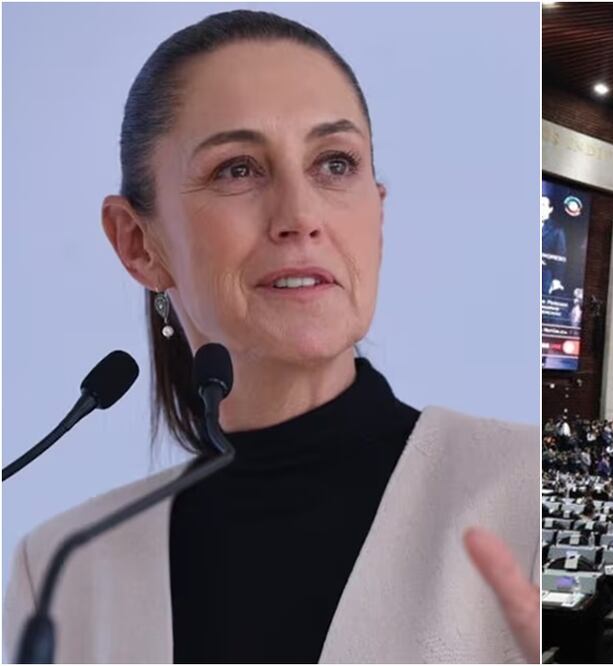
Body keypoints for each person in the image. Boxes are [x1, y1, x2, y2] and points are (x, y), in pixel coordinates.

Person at [2, 11, 537, 664]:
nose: (301, 216)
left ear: (378, 211)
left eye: (334, 163)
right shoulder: (63, 569)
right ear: (138, 243)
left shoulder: (521, 492)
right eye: (237, 170)